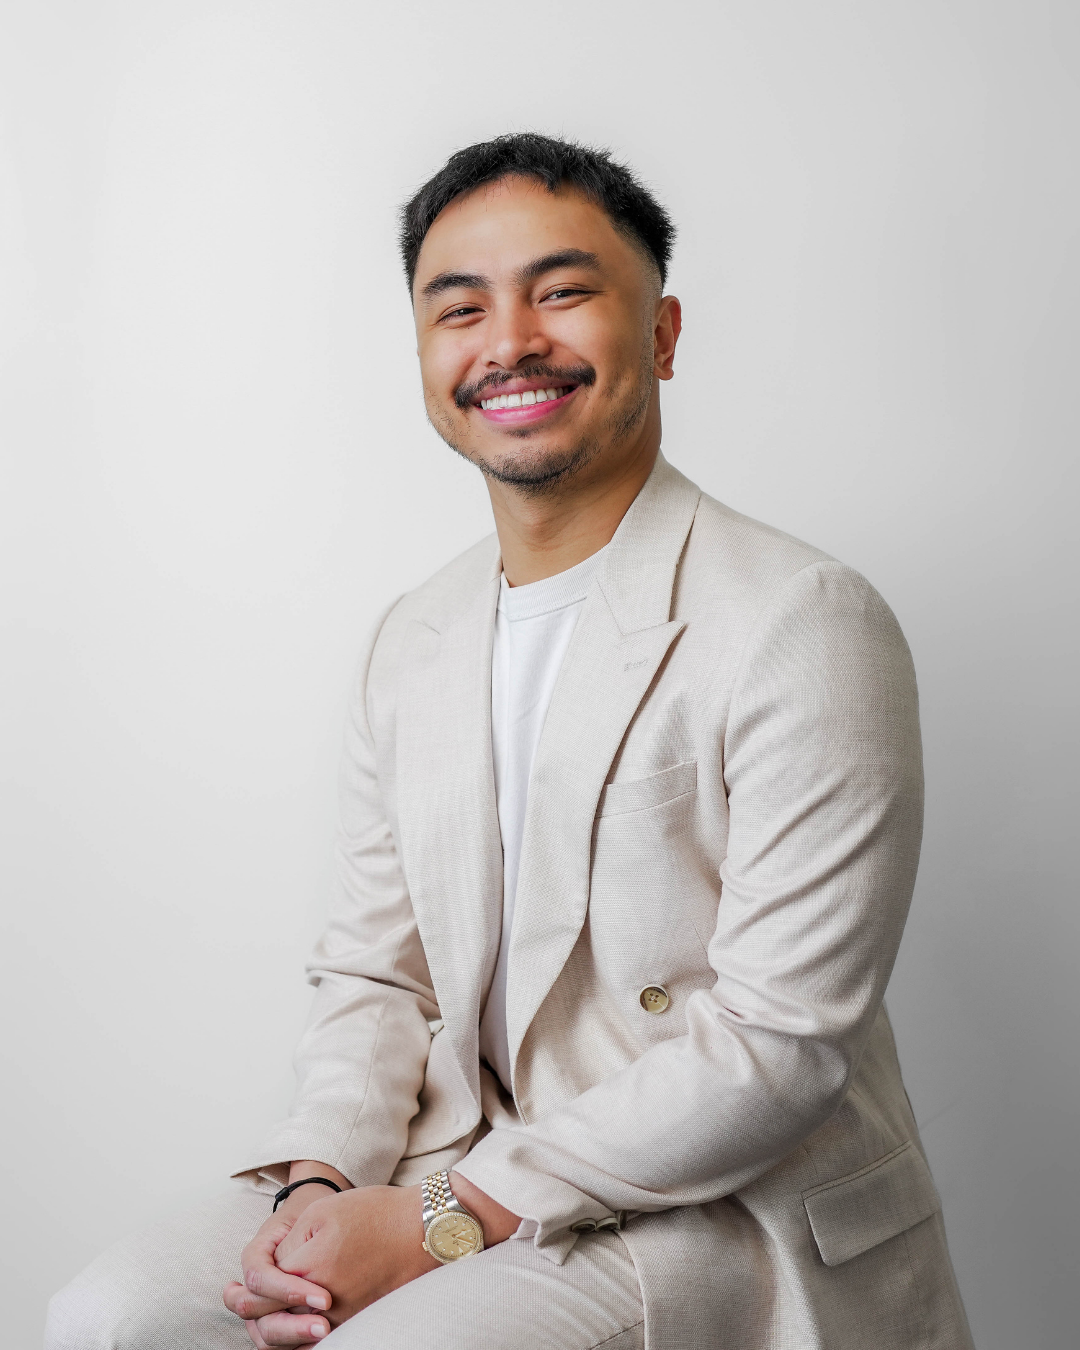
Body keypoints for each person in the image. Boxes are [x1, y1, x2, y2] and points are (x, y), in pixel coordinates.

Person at [46, 133, 974, 1350]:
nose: (510, 340)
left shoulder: (804, 619)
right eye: (460, 306)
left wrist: (443, 1216)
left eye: (564, 290)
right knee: (107, 1318)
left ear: (664, 332)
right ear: (427, 354)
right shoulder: (415, 635)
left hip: (711, 1205)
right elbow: (379, 973)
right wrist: (325, 1183)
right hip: (453, 1155)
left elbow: (780, 1043)